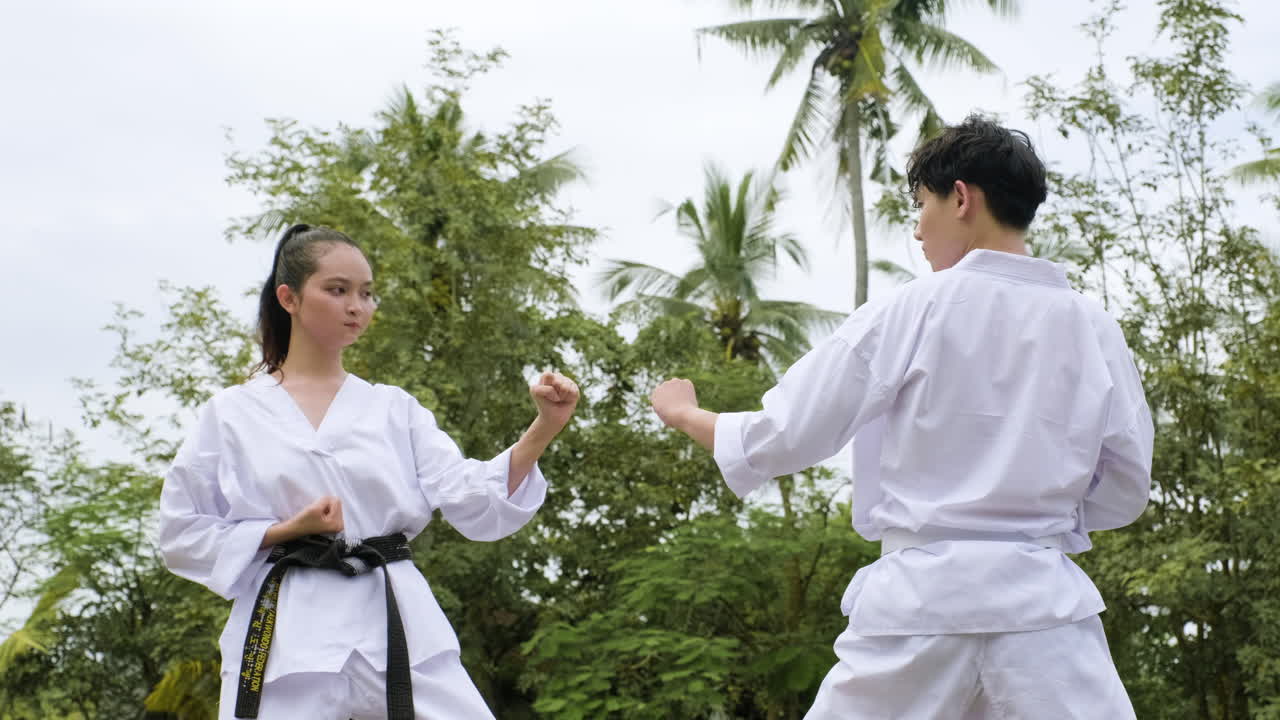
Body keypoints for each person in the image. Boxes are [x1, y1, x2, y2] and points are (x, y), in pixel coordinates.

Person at [650, 115, 1152, 719]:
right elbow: (1125, 486)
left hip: (918, 613)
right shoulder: (1093, 326)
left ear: (960, 197)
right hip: (1047, 617)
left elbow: (782, 436)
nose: (917, 230)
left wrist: (684, 413)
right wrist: (1029, 523)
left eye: (921, 205)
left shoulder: (912, 309)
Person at [158, 224, 579, 720]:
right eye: (337, 290)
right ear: (289, 297)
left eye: (367, 293)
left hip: (395, 619)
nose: (357, 306)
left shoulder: (393, 409)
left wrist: (544, 427)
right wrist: (289, 530)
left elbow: (472, 498)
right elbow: (181, 533)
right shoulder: (230, 413)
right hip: (287, 633)